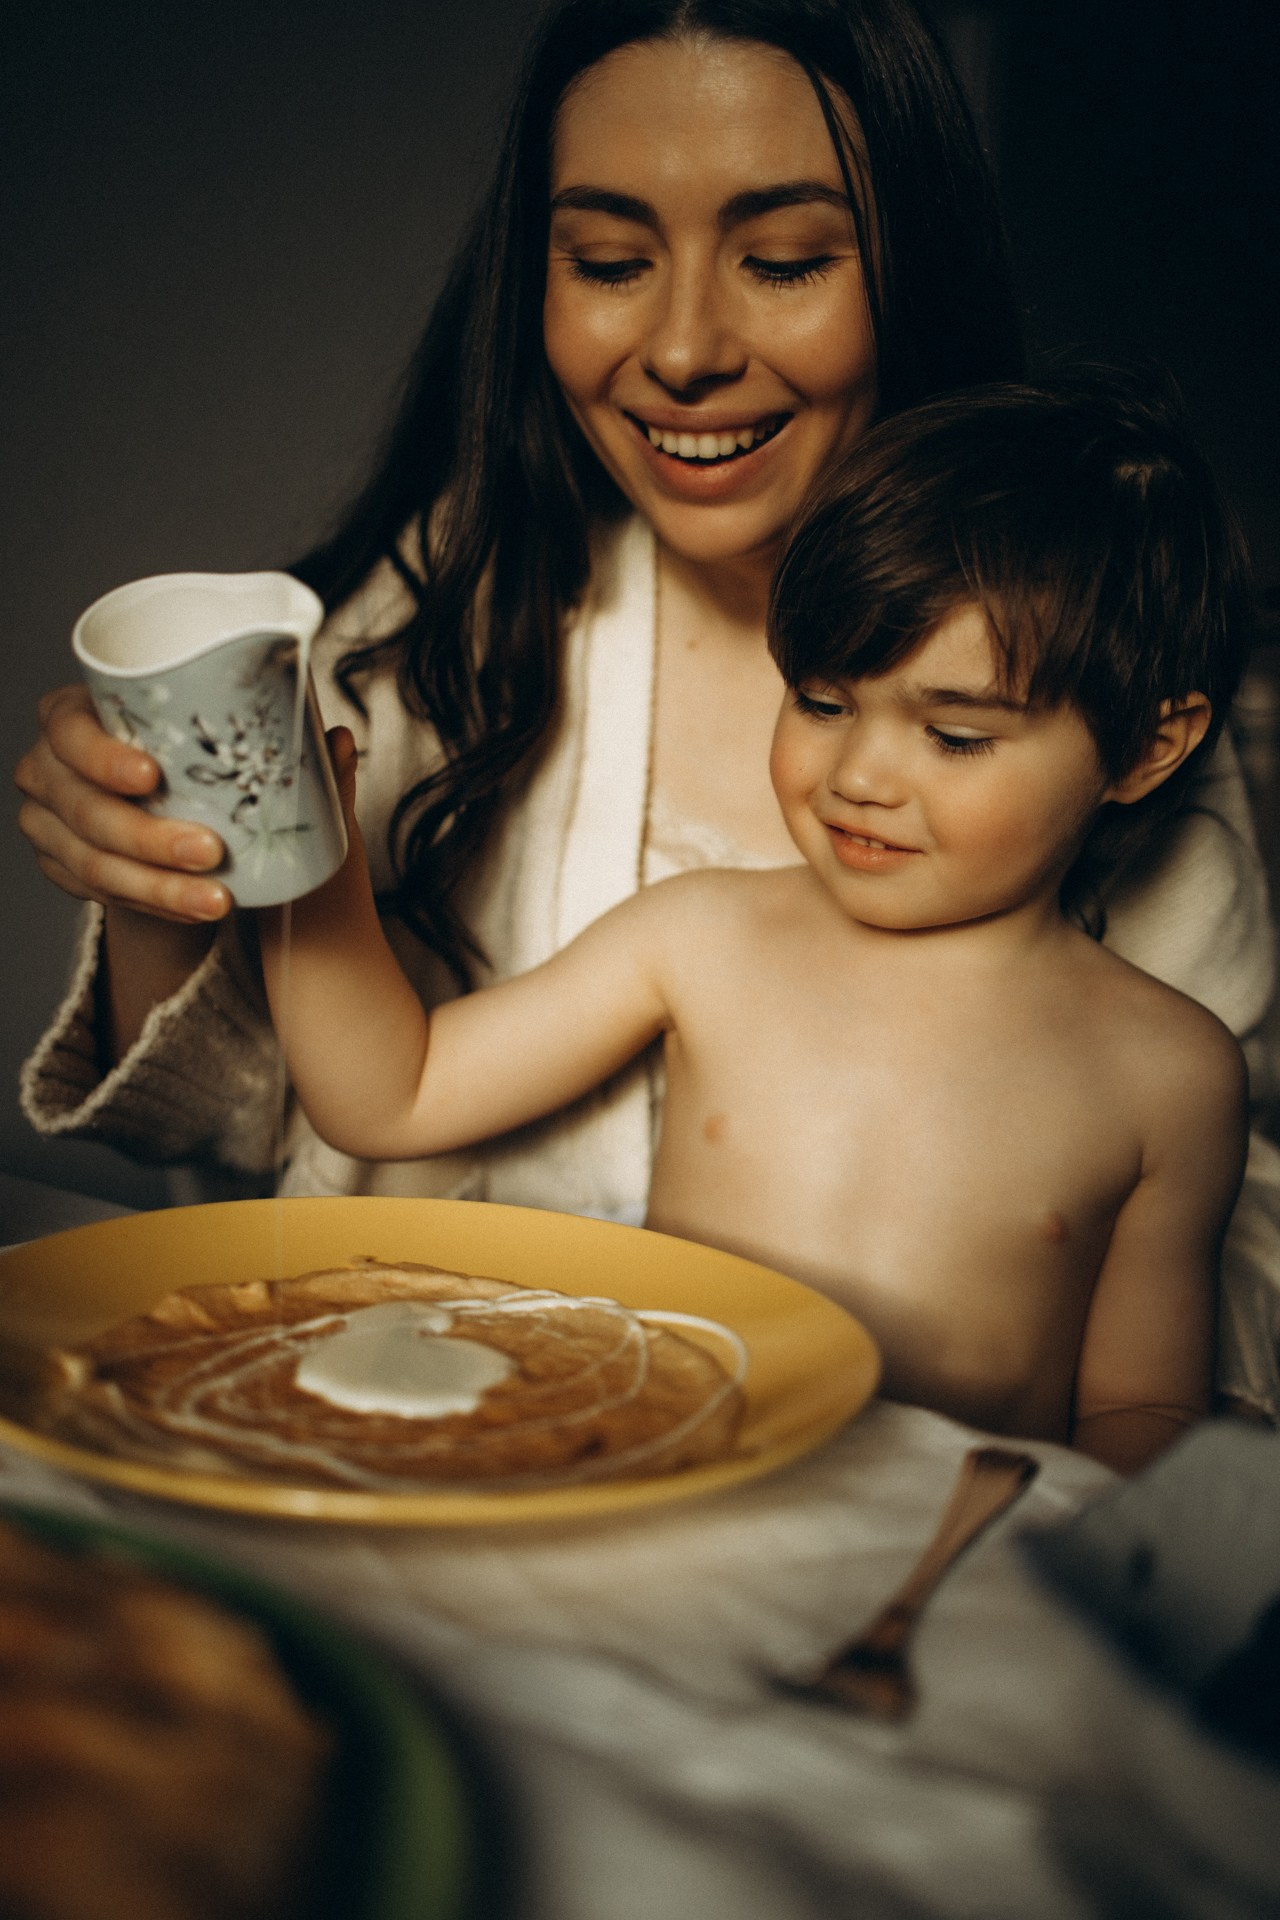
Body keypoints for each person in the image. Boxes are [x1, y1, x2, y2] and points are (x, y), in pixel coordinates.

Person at [15, 0, 1272, 1256]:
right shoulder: (452, 600)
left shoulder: (1090, 661)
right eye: (610, 265)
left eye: (782, 261)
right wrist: (161, 878)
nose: (679, 351)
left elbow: (1205, 1248)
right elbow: (252, 1127)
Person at [259, 375, 1250, 1475]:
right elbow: (387, 1094)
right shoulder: (699, 939)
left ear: (1146, 750)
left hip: (937, 1563)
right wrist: (307, 860)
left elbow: (1138, 1415)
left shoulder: (1169, 1073)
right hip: (668, 1491)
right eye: (822, 704)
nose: (859, 775)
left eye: (955, 737)